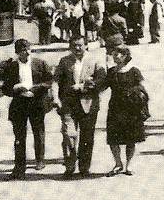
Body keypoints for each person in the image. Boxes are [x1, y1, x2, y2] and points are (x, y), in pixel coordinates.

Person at [55, 36, 107, 177]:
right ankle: (70, 166)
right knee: (68, 135)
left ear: (86, 45)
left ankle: (84, 167)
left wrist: (84, 86)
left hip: (89, 104)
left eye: (80, 45)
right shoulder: (64, 61)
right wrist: (55, 98)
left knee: (87, 137)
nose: (77, 48)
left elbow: (102, 80)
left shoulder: (96, 60)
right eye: (74, 46)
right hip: (69, 104)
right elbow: (56, 81)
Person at [1, 38, 53, 178]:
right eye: (23, 50)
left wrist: (38, 88)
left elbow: (49, 81)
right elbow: (5, 88)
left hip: (36, 102)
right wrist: (15, 88)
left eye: (28, 49)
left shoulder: (40, 63)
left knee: (38, 131)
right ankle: (19, 165)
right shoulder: (11, 67)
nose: (27, 52)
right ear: (17, 52)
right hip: (19, 103)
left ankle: (40, 159)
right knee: (19, 135)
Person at [98, 45, 147, 176]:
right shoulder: (112, 71)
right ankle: (118, 163)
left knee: (131, 138)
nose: (115, 55)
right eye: (114, 53)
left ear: (125, 56)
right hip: (115, 107)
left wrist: (135, 94)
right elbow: (103, 87)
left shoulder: (134, 71)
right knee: (113, 138)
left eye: (118, 54)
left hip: (131, 109)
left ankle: (129, 165)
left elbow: (142, 88)